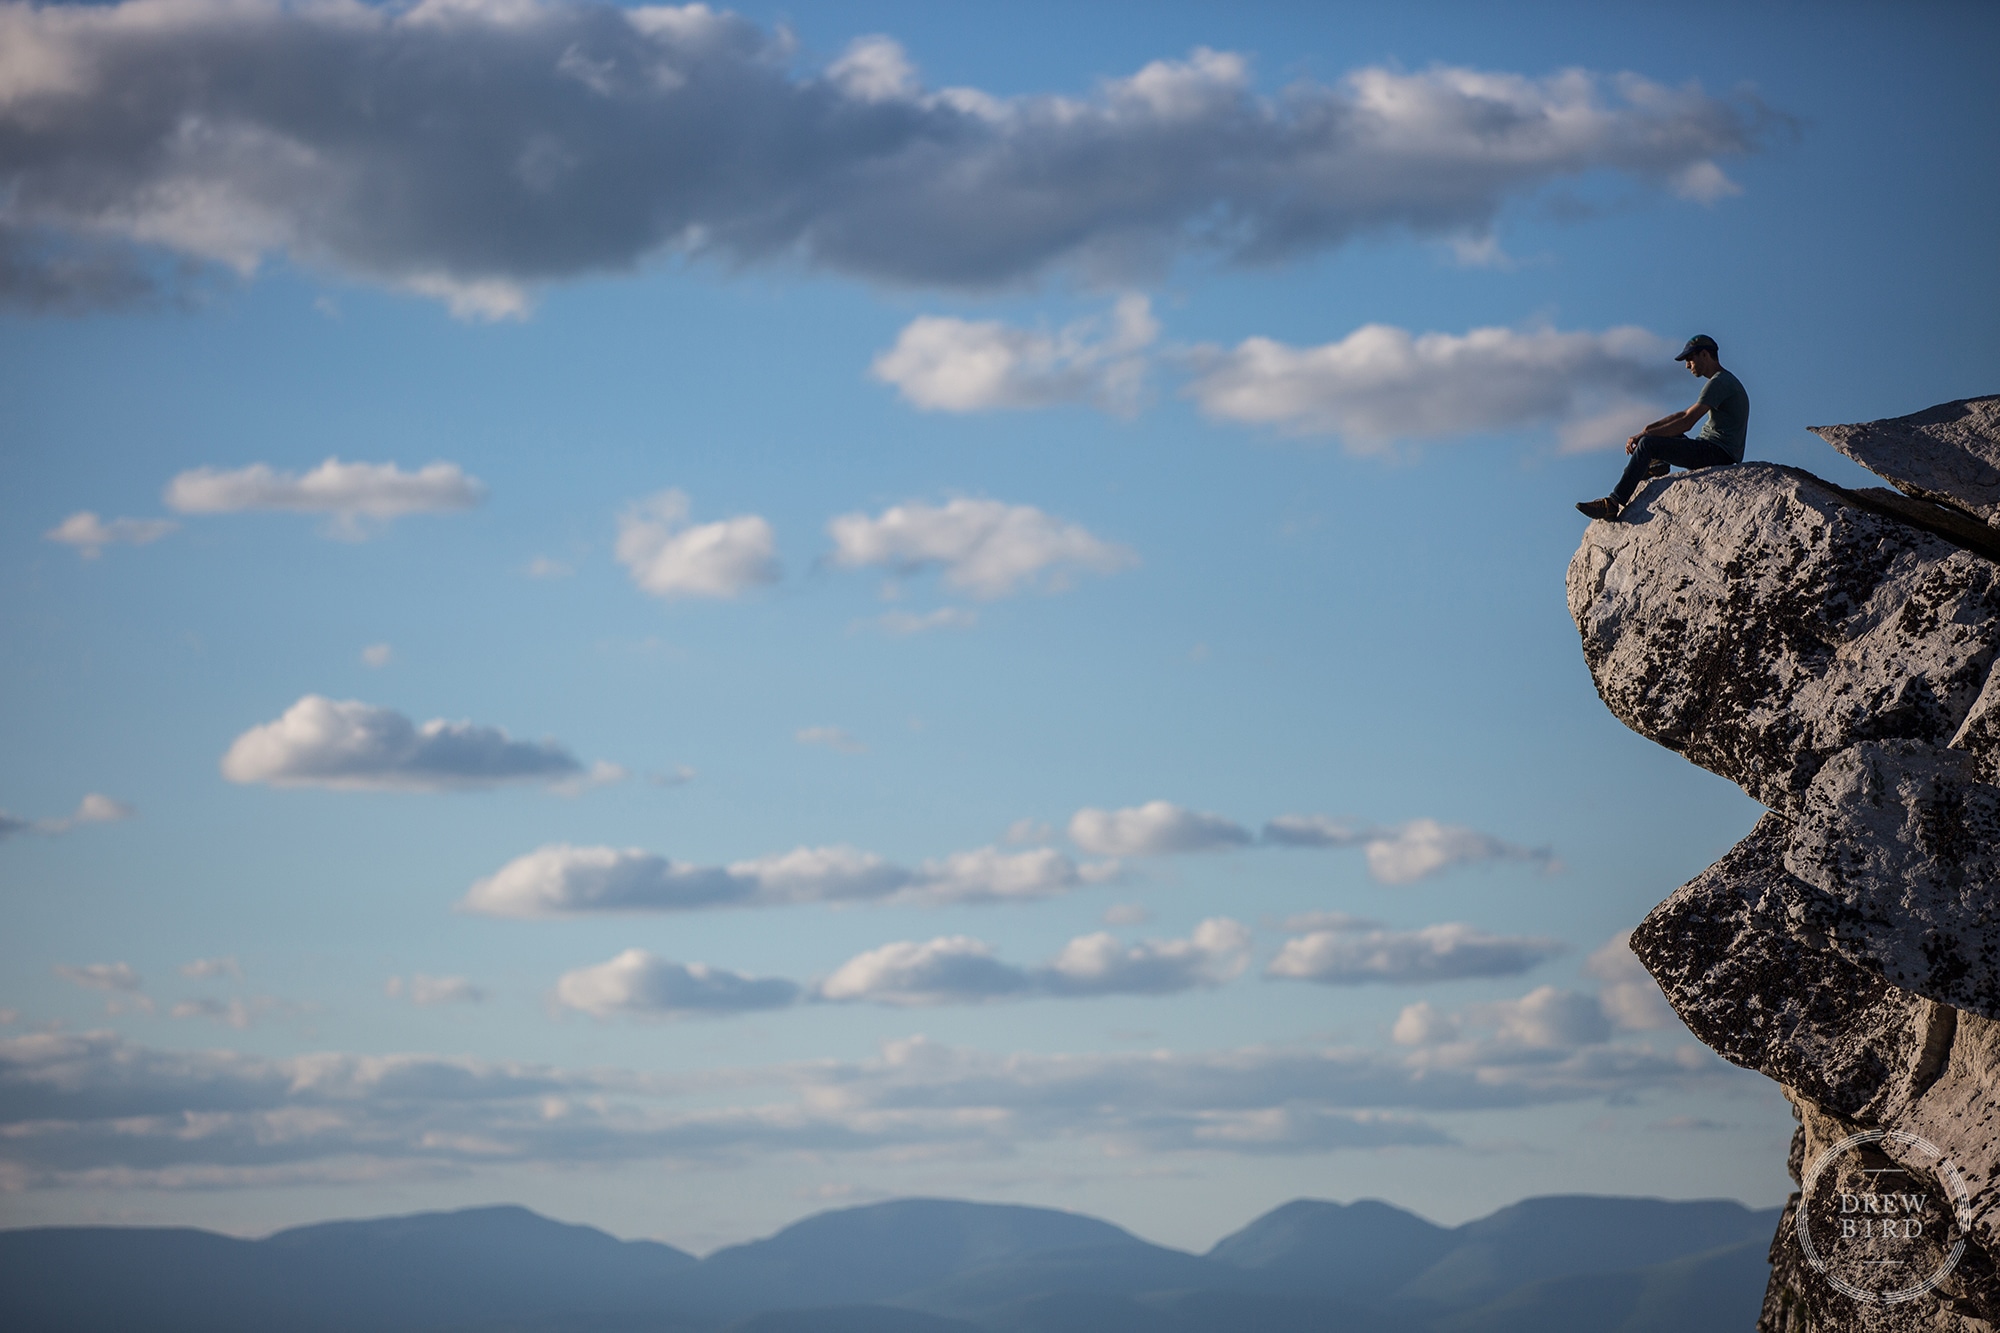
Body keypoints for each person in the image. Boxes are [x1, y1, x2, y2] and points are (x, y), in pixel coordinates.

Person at [1576, 334, 1749, 520]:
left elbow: (1687, 421)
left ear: (1705, 355)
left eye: (1690, 359)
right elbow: (1682, 415)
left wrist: (1645, 436)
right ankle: (1656, 465)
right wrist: (1647, 429)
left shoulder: (1719, 382)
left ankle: (1613, 503)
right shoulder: (1723, 381)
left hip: (1718, 454)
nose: (1687, 365)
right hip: (1712, 449)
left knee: (1648, 445)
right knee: (1655, 439)